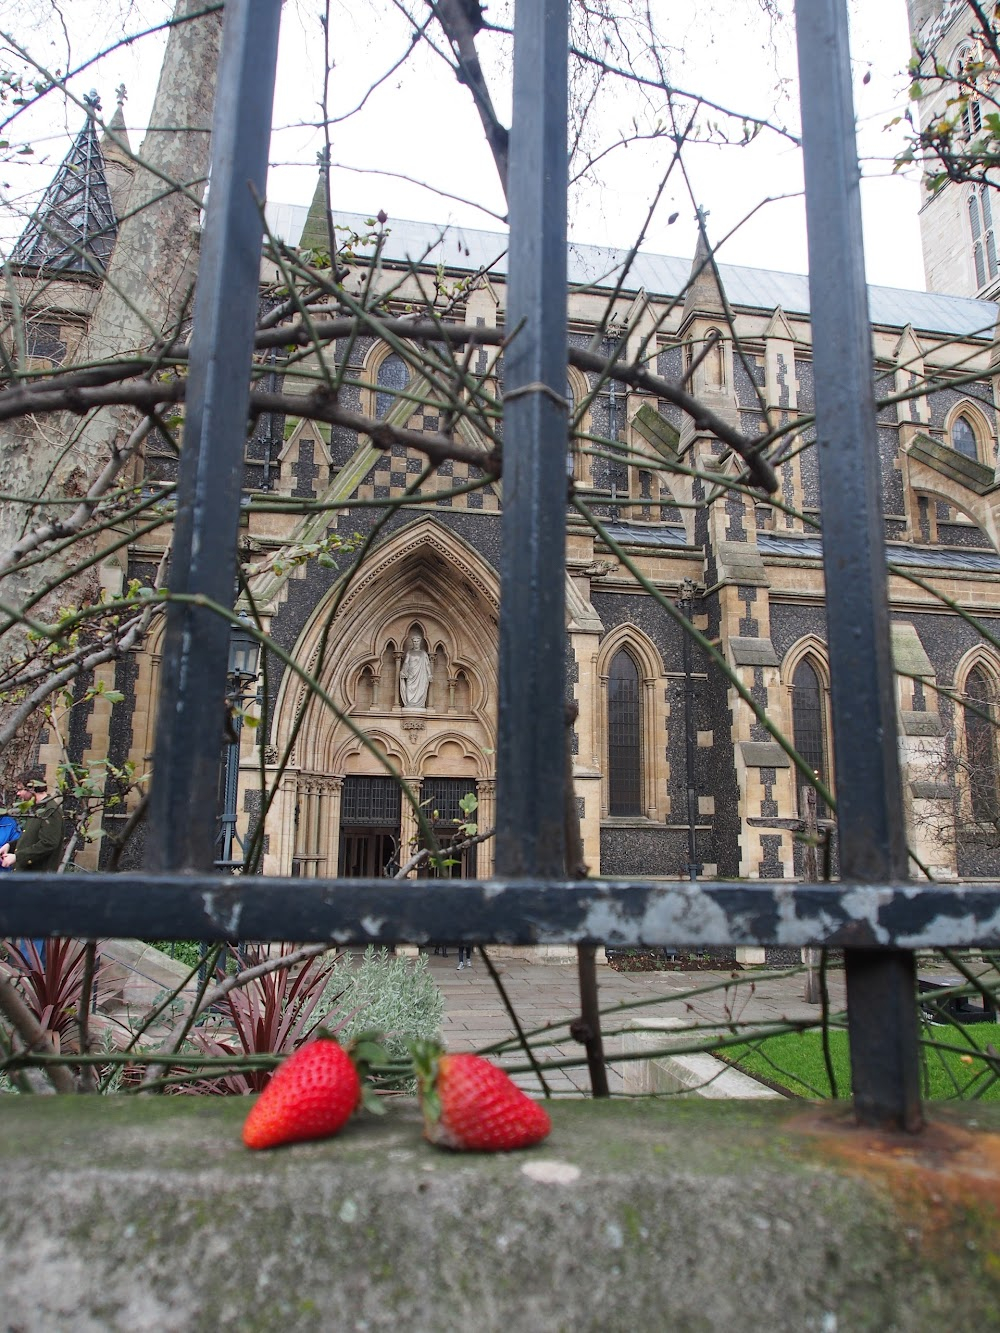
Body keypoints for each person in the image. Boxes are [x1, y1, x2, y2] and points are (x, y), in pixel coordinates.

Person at [1, 774, 64, 873]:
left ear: (31, 789)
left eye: (20, 789)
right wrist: (9, 846)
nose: (18, 793)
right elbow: (30, 838)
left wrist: (17, 857)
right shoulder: (38, 809)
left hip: (38, 878)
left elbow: (48, 844)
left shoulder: (50, 810)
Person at [399, 633, 432, 708]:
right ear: (412, 642)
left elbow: (427, 664)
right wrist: (403, 671)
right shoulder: (409, 652)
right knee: (409, 688)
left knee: (421, 690)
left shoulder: (423, 653)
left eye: (417, 641)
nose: (416, 643)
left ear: (420, 642)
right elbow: (406, 663)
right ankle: (409, 703)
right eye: (414, 641)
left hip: (421, 675)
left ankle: (419, 704)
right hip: (411, 675)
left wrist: (429, 674)